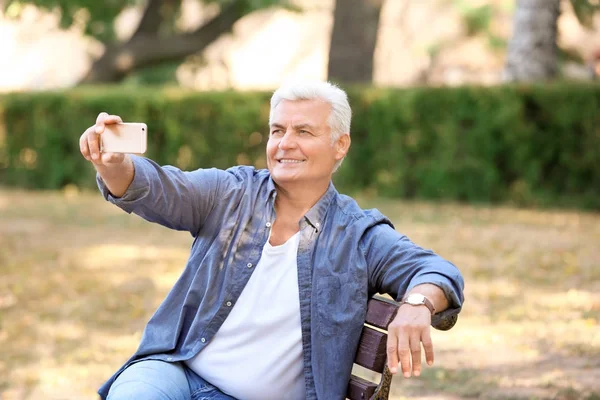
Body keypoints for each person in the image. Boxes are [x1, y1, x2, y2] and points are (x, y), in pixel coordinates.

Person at [79, 81, 464, 400]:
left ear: (340, 145)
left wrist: (417, 303)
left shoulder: (358, 235)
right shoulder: (231, 193)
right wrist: (115, 165)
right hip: (175, 372)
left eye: (303, 132)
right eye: (277, 130)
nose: (285, 143)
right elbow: (158, 189)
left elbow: (435, 270)